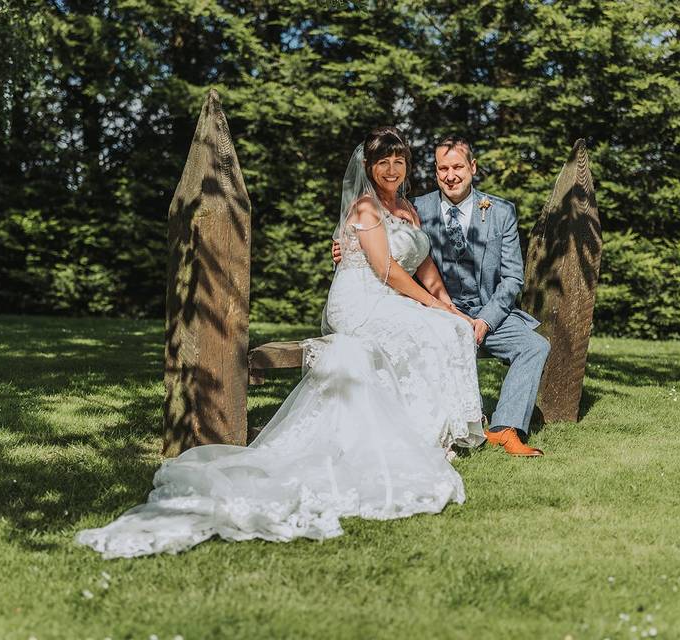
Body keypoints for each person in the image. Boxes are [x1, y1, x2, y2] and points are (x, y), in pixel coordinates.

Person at [76, 127, 486, 558]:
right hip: (363, 298)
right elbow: (386, 269)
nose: (391, 168)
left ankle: (435, 431)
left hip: (391, 295)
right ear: (368, 167)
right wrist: (432, 309)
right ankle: (424, 436)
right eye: (382, 161)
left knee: (449, 327)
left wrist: (450, 307)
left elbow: (425, 267)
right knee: (428, 327)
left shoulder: (408, 209)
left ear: (407, 165)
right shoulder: (365, 207)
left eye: (398, 160)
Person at [333, 135, 549, 456]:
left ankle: (505, 428)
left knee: (535, 344)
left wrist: (486, 321)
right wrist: (344, 248)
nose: (451, 175)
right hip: (430, 306)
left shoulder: (501, 212)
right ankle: (448, 426)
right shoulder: (416, 206)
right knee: (441, 336)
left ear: (472, 167)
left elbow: (513, 278)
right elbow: (375, 238)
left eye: (458, 167)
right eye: (443, 168)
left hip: (487, 312)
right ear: (435, 172)